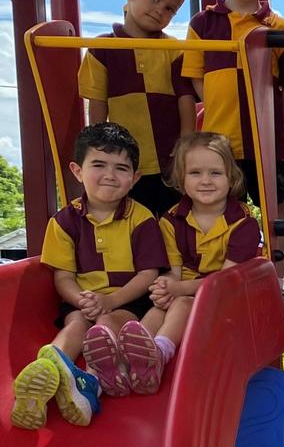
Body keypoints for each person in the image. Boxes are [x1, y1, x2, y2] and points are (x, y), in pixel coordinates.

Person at [9, 124, 167, 429]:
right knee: (75, 323)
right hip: (83, 300)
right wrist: (81, 299)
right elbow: (63, 277)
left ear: (134, 179)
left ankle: (89, 384)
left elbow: (148, 273)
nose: (110, 175)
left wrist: (109, 301)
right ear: (77, 170)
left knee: (106, 325)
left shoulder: (142, 219)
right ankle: (47, 371)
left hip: (127, 299)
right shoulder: (64, 221)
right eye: (98, 165)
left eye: (121, 168)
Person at [123, 132, 261, 396]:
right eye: (195, 173)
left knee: (183, 301)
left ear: (231, 178)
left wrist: (177, 289)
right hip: (185, 292)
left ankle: (160, 352)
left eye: (215, 173)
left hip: (228, 300)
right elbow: (174, 273)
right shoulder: (171, 221)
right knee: (159, 307)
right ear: (181, 179)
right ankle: (128, 358)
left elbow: (223, 283)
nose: (206, 181)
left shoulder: (243, 224)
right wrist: (165, 287)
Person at [182, 0, 284, 210]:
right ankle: (231, 255)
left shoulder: (278, 27)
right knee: (222, 206)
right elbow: (196, 77)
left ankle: (277, 257)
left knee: (275, 206)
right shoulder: (203, 23)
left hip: (269, 140)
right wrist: (220, 103)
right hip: (221, 140)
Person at [77, 0, 196, 216]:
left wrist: (186, 142)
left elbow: (185, 98)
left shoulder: (173, 49)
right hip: (124, 162)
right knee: (127, 222)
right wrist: (97, 148)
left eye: (169, 9)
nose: (159, 11)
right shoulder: (102, 48)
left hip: (168, 158)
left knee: (172, 222)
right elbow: (98, 103)